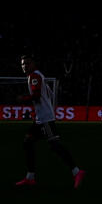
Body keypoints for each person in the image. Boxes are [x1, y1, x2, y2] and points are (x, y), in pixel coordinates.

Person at [15, 56, 84, 189]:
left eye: (27, 64)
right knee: (28, 142)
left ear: (33, 63)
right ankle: (30, 177)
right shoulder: (37, 76)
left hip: (45, 119)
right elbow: (47, 95)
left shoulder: (35, 76)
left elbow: (36, 96)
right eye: (23, 64)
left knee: (54, 145)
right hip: (41, 119)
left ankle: (77, 172)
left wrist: (22, 98)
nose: (24, 66)